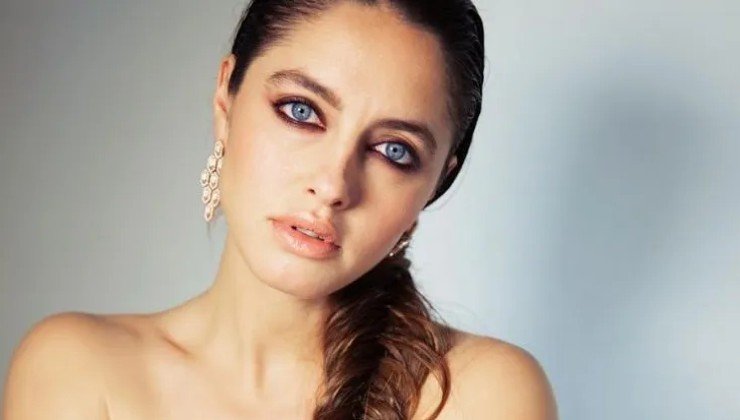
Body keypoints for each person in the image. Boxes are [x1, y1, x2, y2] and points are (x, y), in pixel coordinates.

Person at [2, 0, 558, 419]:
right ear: (226, 99)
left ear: (437, 182)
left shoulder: (479, 395)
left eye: (394, 151)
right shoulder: (76, 370)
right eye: (301, 111)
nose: (332, 184)